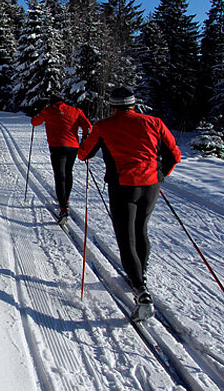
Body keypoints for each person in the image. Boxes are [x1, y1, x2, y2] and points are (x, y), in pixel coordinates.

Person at [78, 86, 181, 322]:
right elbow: (174, 154)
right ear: (133, 104)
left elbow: (84, 154)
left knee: (126, 237)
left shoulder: (104, 126)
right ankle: (140, 275)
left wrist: (84, 141)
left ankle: (140, 291)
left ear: (112, 106)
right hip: (151, 184)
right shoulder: (154, 122)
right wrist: (161, 174)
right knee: (141, 229)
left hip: (123, 185)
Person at [31, 94, 92, 225]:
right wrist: (85, 138)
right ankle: (66, 200)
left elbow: (35, 122)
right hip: (73, 147)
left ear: (52, 102)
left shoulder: (48, 110)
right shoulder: (75, 110)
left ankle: (63, 209)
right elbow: (87, 125)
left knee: (60, 176)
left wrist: (35, 115)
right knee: (68, 173)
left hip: (57, 146)